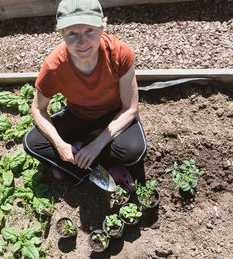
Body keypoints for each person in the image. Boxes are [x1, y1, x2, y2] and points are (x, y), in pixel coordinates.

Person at [23, 0, 147, 191]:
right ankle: (89, 163)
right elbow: (38, 109)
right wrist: (60, 145)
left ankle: (82, 161)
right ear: (61, 33)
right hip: (79, 114)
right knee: (32, 143)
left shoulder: (120, 54)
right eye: (72, 33)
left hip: (114, 114)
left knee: (134, 151)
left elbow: (129, 109)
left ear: (102, 26)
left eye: (90, 30)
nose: (82, 42)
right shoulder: (54, 66)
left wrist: (97, 145)